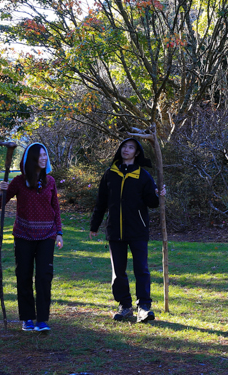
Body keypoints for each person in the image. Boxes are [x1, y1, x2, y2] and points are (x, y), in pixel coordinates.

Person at [89, 138, 165, 323]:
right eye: (124, 147)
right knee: (118, 272)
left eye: (130, 147)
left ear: (137, 152)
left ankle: (144, 307)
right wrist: (94, 225)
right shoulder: (110, 174)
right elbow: (101, 202)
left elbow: (152, 203)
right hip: (115, 231)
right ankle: (124, 306)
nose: (126, 150)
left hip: (138, 230)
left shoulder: (143, 175)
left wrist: (159, 195)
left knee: (141, 269)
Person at [0, 142, 64, 333]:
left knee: (44, 277)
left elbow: (55, 208)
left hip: (47, 236)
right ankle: (27, 318)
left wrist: (59, 232)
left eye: (45, 155)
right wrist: (0, 191)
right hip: (24, 235)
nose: (44, 158)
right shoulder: (19, 181)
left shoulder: (50, 181)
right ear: (31, 158)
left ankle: (42, 319)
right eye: (40, 155)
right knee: (24, 276)